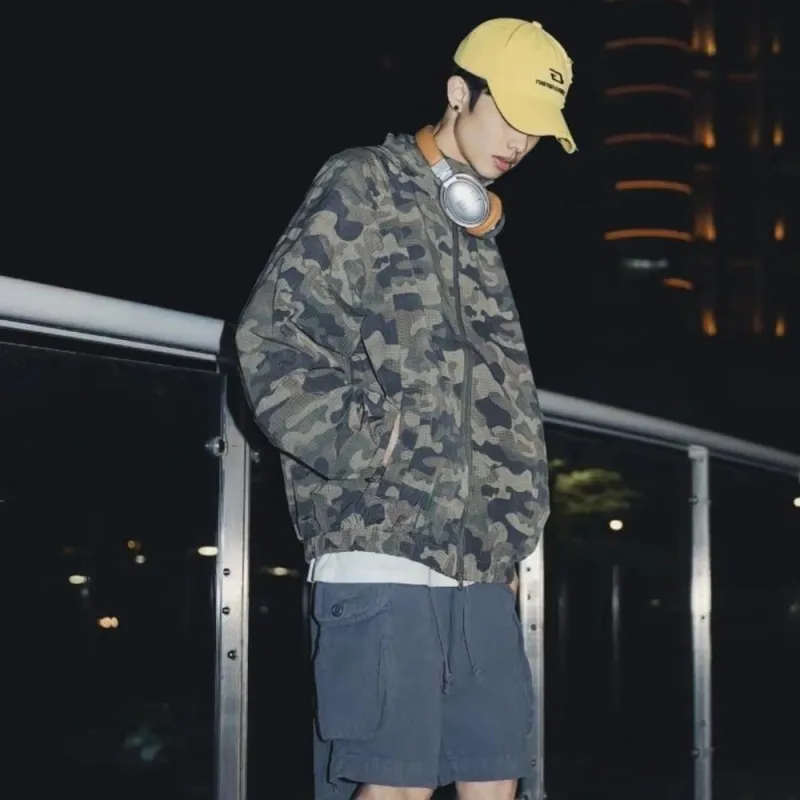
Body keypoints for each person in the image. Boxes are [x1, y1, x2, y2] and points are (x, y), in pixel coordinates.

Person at [236, 17, 576, 800]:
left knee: (497, 779)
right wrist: (374, 449)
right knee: (396, 788)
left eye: (538, 126)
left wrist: (510, 526)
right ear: (459, 92)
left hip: (479, 559)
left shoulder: (472, 220)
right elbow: (271, 339)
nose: (521, 141)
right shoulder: (362, 182)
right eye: (511, 114)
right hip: (379, 540)